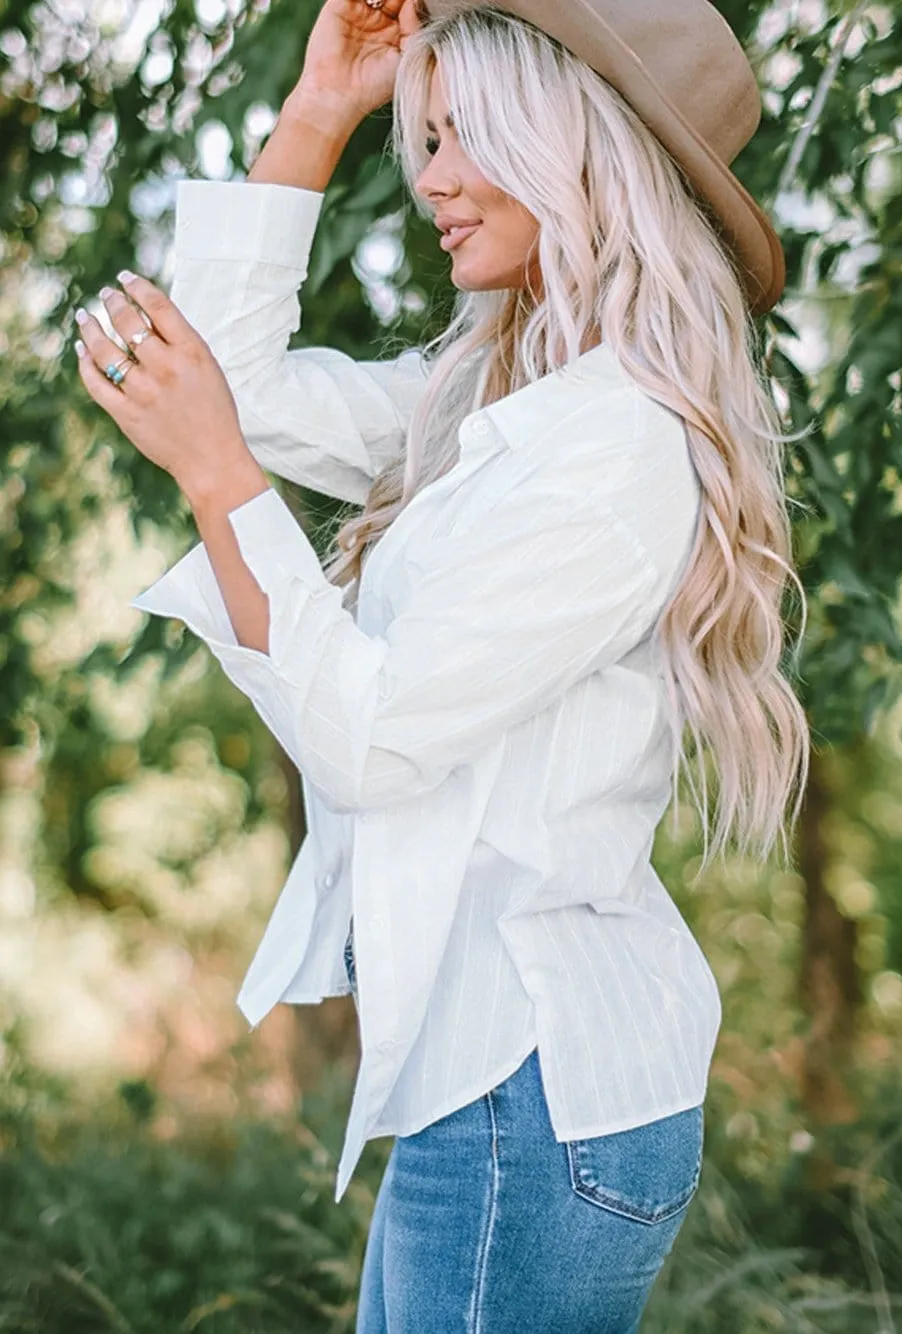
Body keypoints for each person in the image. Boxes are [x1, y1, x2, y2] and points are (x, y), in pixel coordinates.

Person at [74, 0, 810, 1328]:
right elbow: (235, 379)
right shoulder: (503, 404)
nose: (430, 180)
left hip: (527, 1106)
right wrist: (314, 117)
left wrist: (217, 476)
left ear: (579, 151)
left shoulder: (614, 456)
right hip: (510, 1096)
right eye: (424, 135)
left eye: (472, 137)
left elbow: (365, 742)